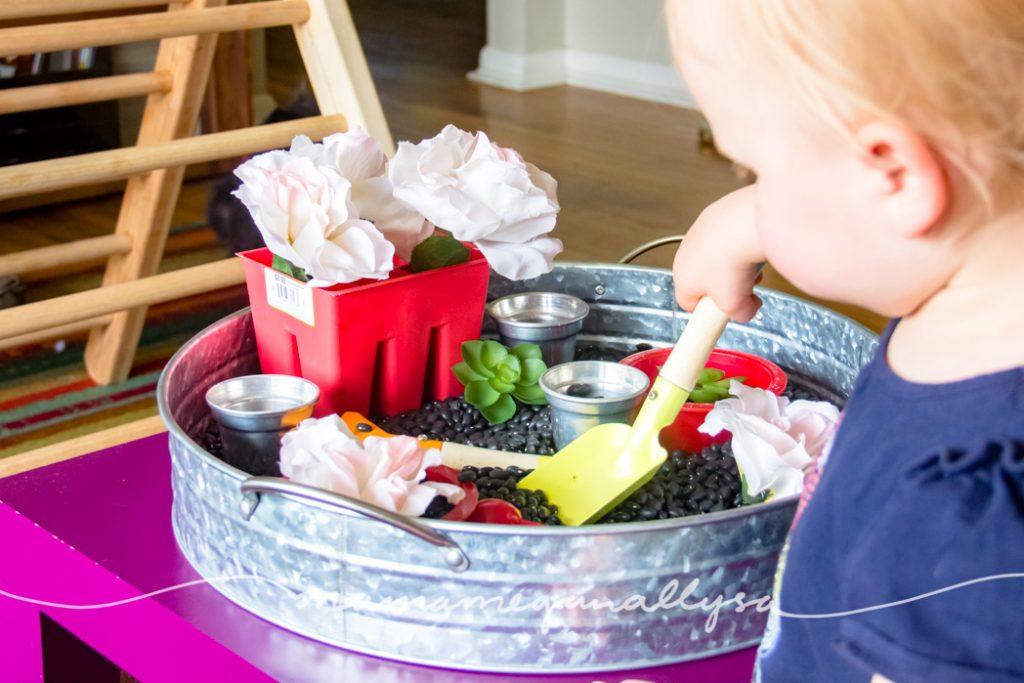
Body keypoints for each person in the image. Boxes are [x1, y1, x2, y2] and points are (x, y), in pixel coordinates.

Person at [665, 1, 1024, 681]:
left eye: (753, 173)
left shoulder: (966, 539)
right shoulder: (982, 270)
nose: (754, 194)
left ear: (893, 175)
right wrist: (754, 222)